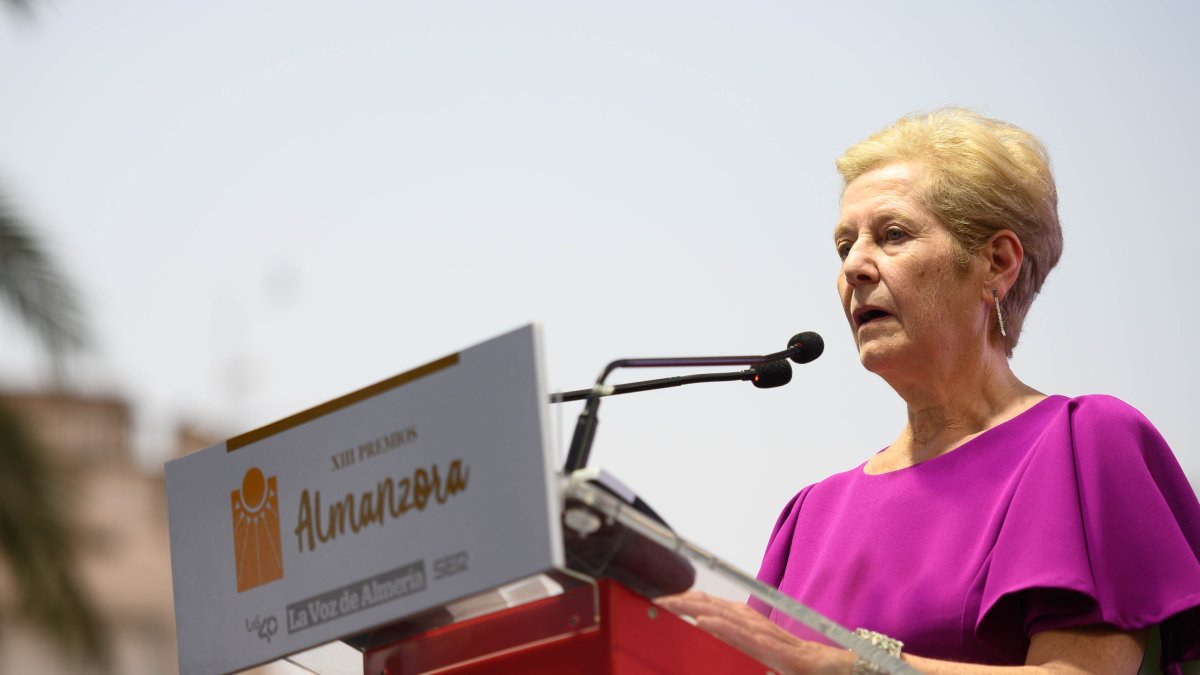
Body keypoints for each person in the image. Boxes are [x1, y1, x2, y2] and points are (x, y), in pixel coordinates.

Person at [657, 108, 1200, 674]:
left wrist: (836, 665)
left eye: (892, 235)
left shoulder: (1081, 446)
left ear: (997, 263)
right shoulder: (810, 516)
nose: (854, 267)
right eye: (844, 246)